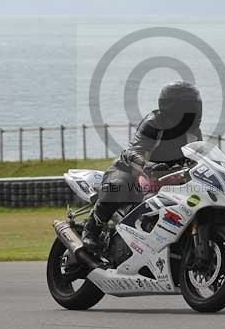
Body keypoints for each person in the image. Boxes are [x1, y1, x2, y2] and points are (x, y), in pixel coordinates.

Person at [82, 80, 203, 251]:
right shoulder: (154, 123)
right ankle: (91, 230)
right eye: (190, 106)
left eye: (196, 106)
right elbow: (132, 152)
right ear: (173, 108)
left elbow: (199, 157)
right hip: (130, 171)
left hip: (168, 180)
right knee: (118, 187)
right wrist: (148, 166)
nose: (195, 111)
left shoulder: (193, 132)